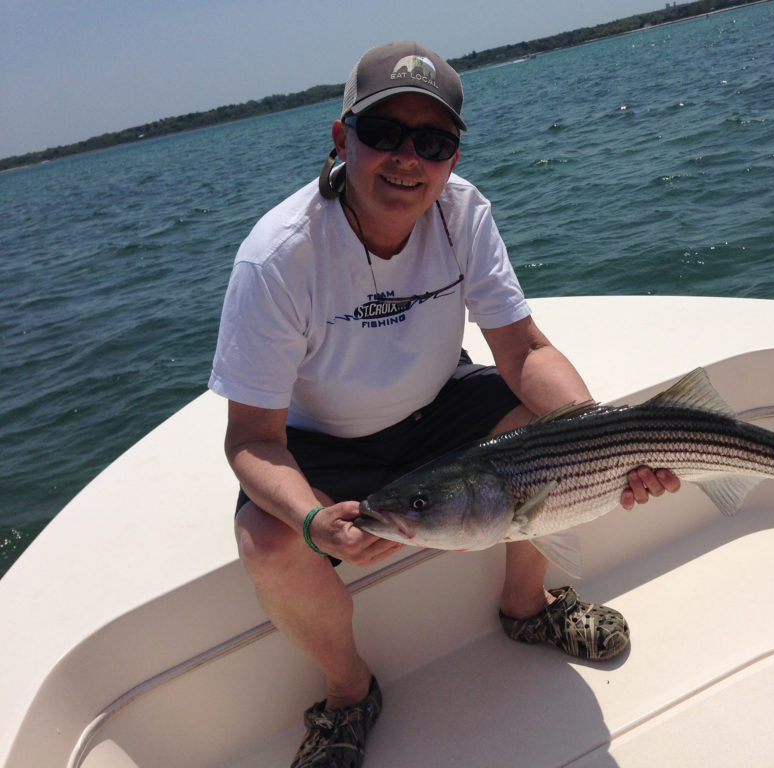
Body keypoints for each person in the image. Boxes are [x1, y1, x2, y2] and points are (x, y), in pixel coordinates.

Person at [208, 41, 679, 768]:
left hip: (439, 399)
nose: (408, 158)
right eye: (384, 133)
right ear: (342, 137)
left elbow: (522, 351)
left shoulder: (463, 213)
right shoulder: (279, 258)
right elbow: (250, 440)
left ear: (452, 157)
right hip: (327, 437)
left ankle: (527, 607)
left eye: (432, 142)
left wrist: (603, 439)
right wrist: (310, 519)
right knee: (270, 545)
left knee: (541, 436)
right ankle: (348, 691)